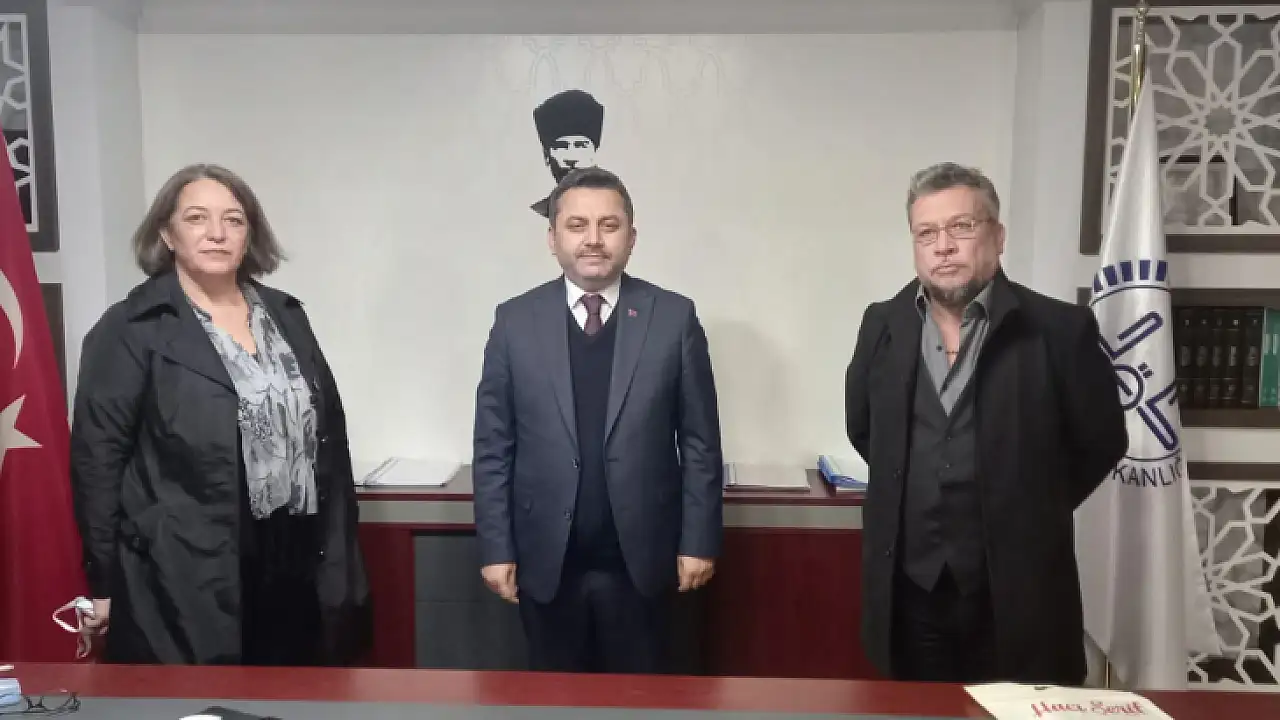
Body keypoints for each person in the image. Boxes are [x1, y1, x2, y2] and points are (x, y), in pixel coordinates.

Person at [69, 163, 371, 665]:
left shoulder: (286, 315)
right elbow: (97, 463)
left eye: (233, 219)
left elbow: (330, 442)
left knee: (298, 693)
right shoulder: (130, 328)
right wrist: (102, 579)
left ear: (249, 234)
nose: (216, 233)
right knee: (206, 700)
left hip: (298, 559)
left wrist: (344, 561)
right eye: (197, 218)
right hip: (184, 570)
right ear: (167, 234)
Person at [845, 162, 1127, 685]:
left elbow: (1101, 440)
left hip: (1019, 596)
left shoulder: (1059, 330)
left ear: (997, 237)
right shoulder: (882, 325)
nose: (943, 247)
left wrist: (1030, 505)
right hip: (911, 594)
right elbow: (865, 431)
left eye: (961, 227)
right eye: (926, 233)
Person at [473, 166, 723, 674]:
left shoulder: (673, 318)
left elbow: (700, 443)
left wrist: (698, 541)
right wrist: (496, 548)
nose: (593, 239)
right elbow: (493, 445)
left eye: (609, 225)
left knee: (642, 701)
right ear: (552, 238)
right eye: (577, 225)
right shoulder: (514, 321)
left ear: (631, 238)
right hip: (545, 562)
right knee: (554, 702)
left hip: (644, 562)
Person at [529, 89, 604, 218]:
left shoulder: (612, 203)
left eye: (581, 145)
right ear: (547, 156)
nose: (572, 158)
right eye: (562, 147)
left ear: (594, 151)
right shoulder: (539, 213)